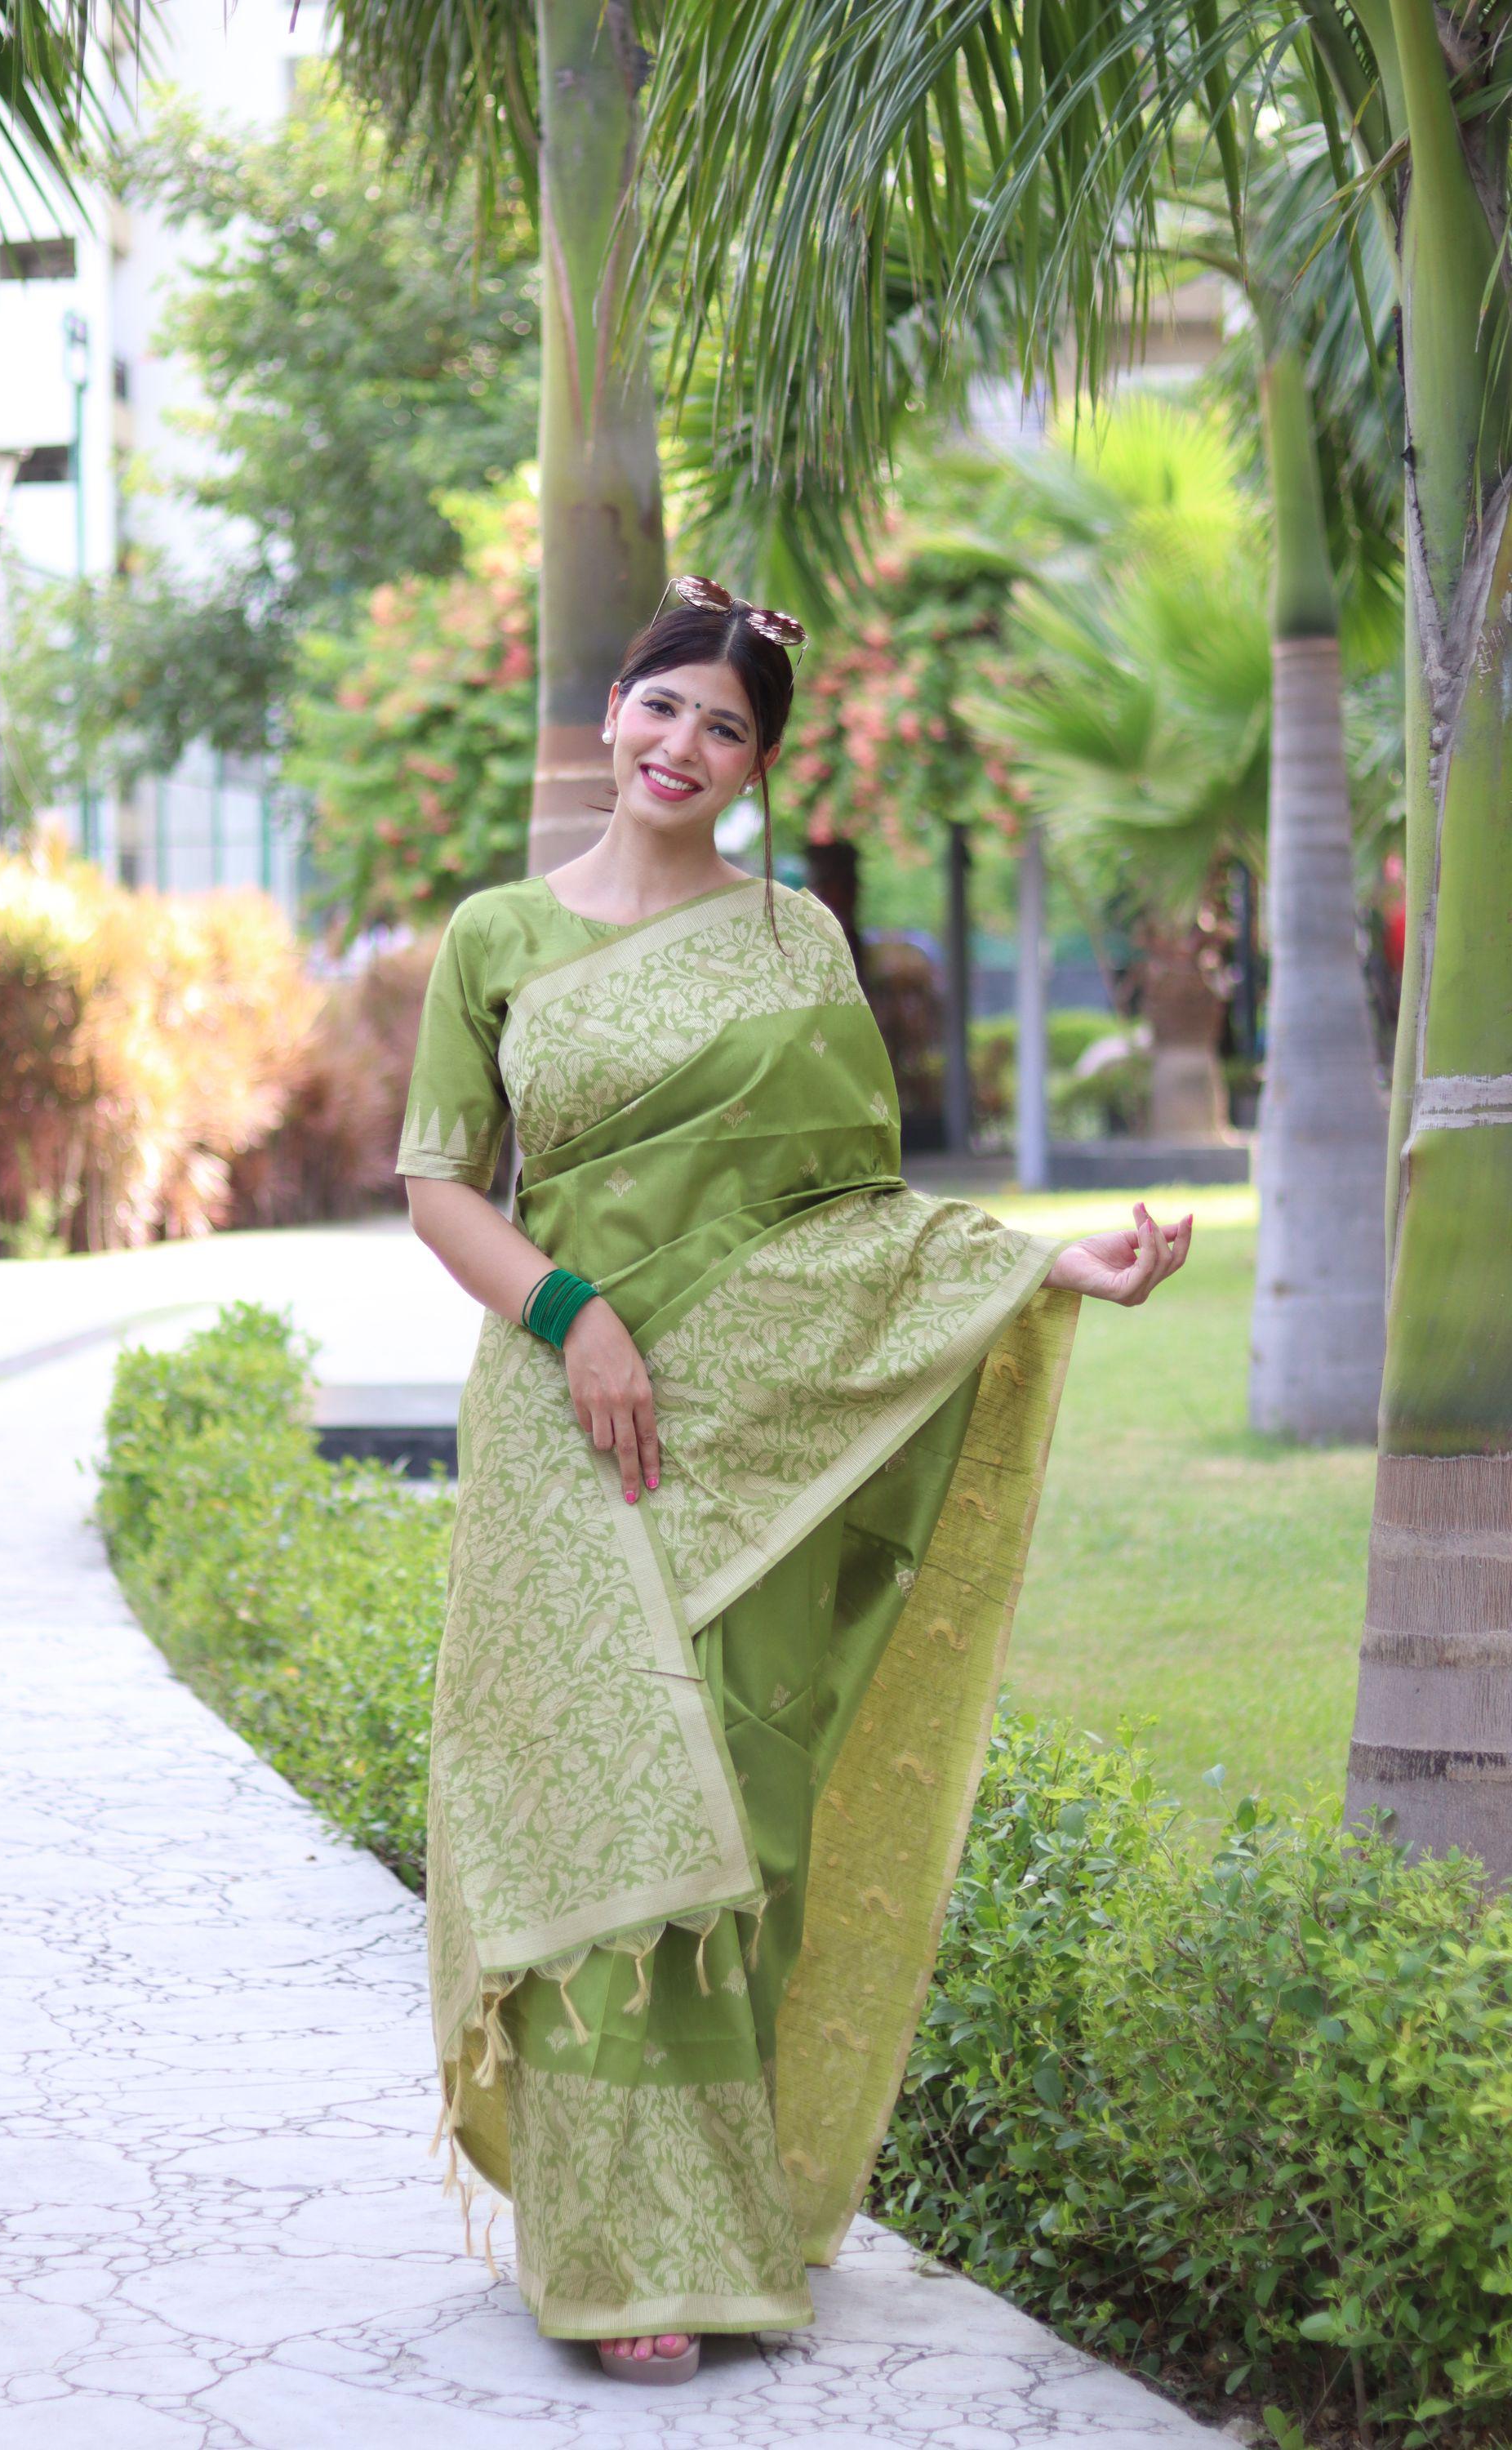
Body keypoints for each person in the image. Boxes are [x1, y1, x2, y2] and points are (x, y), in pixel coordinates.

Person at [398, 575, 1191, 2385]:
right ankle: (614, 2254)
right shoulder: (497, 934)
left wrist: (1050, 1267)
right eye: (663, 709)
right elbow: (442, 1184)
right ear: (612, 715)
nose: (685, 749)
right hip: (562, 1421)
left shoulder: (797, 944)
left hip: (752, 1425)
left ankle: (713, 2221)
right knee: (602, 1813)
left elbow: (850, 1218)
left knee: (735, 1816)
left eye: (726, 729)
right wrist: (574, 1315)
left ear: (759, 766)